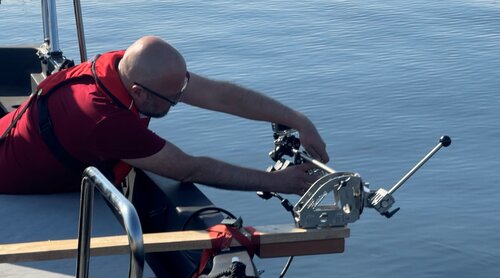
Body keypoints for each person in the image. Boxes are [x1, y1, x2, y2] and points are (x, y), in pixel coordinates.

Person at [0, 35, 329, 195]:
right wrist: (279, 181)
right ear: (140, 91)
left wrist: (299, 120)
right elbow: (188, 168)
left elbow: (219, 94)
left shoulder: (126, 65)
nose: (179, 100)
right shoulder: (106, 120)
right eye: (172, 99)